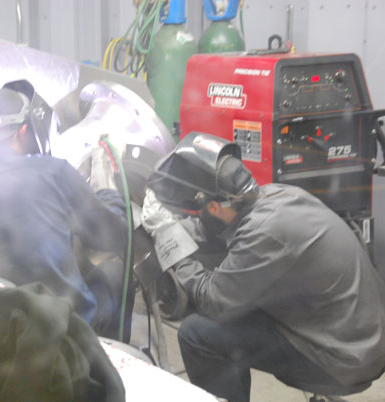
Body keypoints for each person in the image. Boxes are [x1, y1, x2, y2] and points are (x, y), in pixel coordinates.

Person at [143, 132, 385, 402]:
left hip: (342, 359)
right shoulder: (274, 195)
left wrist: (169, 239)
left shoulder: (262, 233)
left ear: (213, 205)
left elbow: (213, 300)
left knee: (197, 333)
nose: (198, 217)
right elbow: (214, 229)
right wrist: (177, 228)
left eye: (198, 211)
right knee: (231, 298)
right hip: (359, 335)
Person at [0, 84, 130, 338]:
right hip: (53, 338)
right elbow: (112, 237)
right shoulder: (54, 172)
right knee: (114, 273)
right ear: (23, 131)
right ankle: (104, 368)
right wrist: (108, 188)